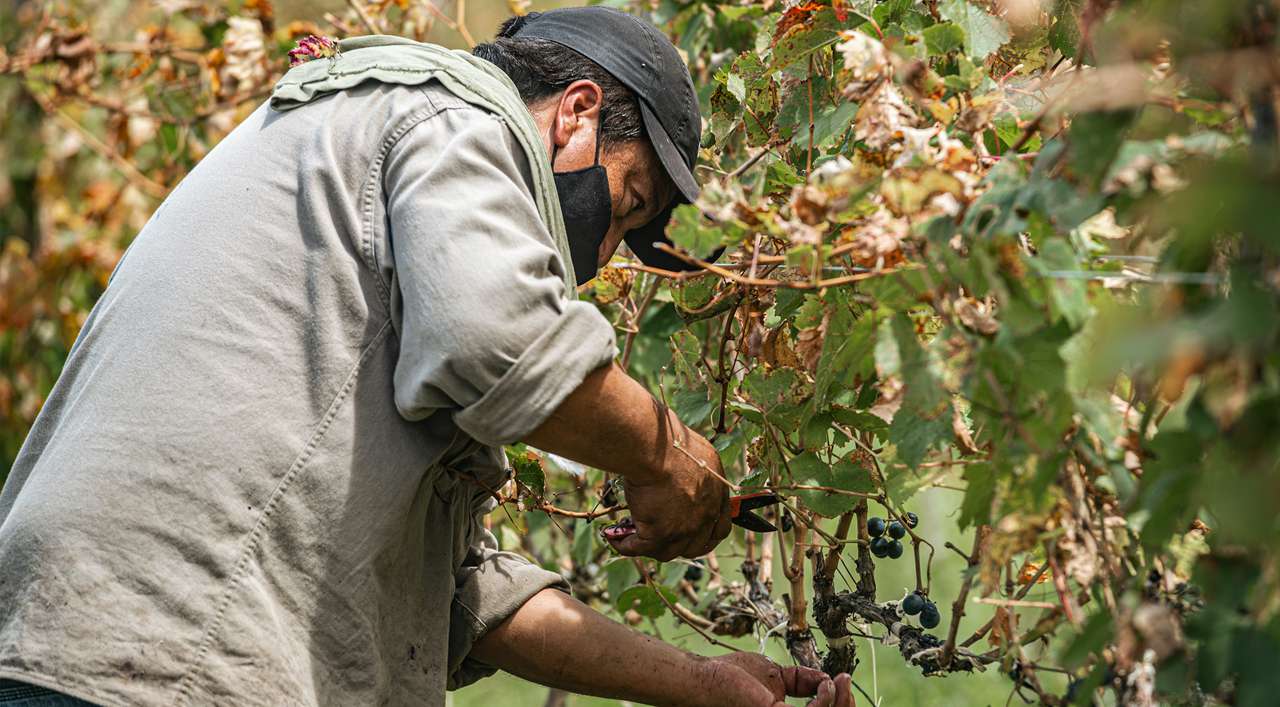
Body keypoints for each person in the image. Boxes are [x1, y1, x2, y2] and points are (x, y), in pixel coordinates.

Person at [0, 6, 853, 706]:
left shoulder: (362, 173)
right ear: (579, 110)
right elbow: (505, 343)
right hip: (167, 658)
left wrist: (706, 684)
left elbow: (457, 592)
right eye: (626, 205)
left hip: (92, 644)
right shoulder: (451, 119)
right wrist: (666, 451)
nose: (602, 251)